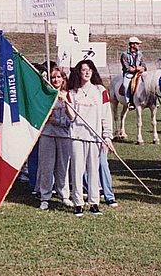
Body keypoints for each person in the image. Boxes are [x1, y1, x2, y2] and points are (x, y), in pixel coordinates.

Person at [64, 59, 113, 217]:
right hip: (77, 136)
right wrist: (66, 103)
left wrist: (107, 137)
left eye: (89, 69)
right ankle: (78, 203)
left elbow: (106, 115)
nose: (87, 72)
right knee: (77, 170)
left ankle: (94, 203)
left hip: (95, 137)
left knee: (94, 171)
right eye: (84, 69)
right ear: (79, 72)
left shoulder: (100, 91)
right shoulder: (72, 92)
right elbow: (71, 118)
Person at [36, 67, 73, 210]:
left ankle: (64, 195)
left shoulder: (68, 94)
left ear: (63, 78)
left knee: (63, 167)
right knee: (46, 167)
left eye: (58, 77)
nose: (56, 80)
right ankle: (45, 197)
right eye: (53, 77)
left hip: (64, 135)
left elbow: (71, 119)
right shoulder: (45, 95)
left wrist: (57, 122)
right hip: (47, 135)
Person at [119, 37, 146, 101]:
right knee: (125, 85)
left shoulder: (140, 54)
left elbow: (144, 65)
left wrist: (143, 68)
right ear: (132, 45)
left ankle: (152, 100)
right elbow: (127, 68)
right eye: (137, 43)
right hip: (129, 74)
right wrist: (136, 68)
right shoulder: (124, 55)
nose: (139, 45)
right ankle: (128, 101)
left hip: (139, 73)